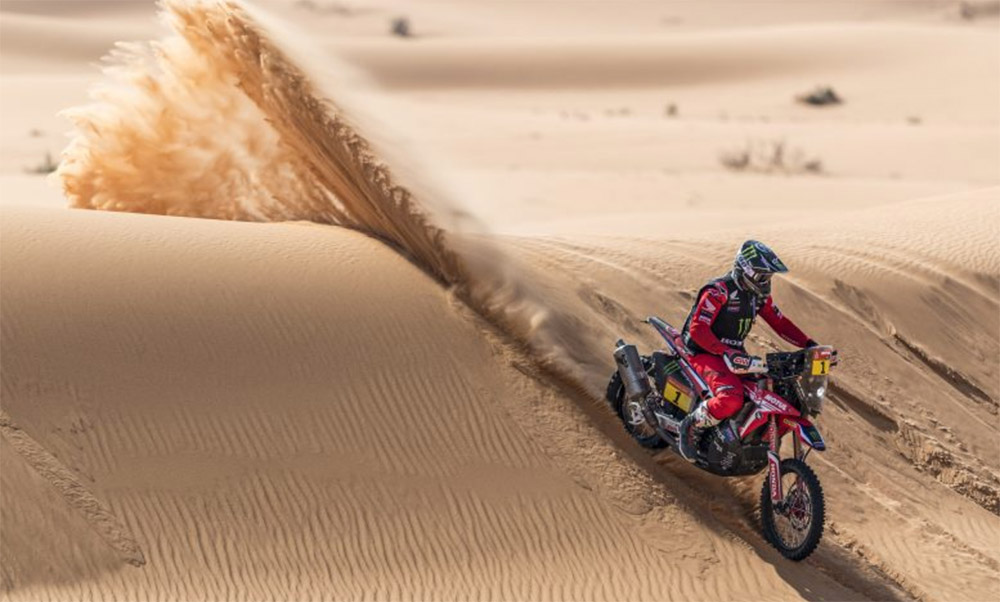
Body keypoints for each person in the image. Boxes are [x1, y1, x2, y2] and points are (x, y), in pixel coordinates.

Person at [676, 240, 833, 461]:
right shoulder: (719, 291)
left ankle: (739, 440)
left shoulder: (757, 297)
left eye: (769, 277)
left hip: (733, 355)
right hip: (703, 352)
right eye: (762, 276)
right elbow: (697, 330)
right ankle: (690, 425)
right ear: (746, 270)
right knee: (731, 397)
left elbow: (780, 323)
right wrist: (724, 351)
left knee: (771, 391)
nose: (766, 281)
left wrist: (809, 344)